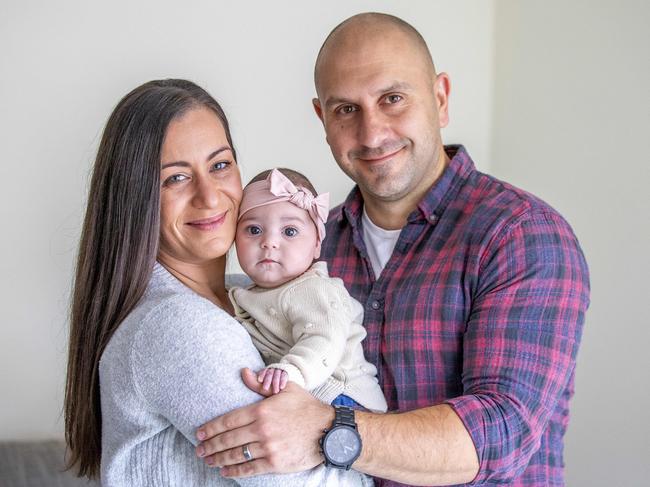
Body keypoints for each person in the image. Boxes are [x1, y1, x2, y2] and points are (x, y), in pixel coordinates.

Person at [194, 12, 590, 487]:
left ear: (440, 99)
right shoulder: (313, 247)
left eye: (393, 99)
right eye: (346, 109)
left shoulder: (520, 235)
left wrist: (330, 430)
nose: (372, 132)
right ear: (323, 120)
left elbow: (500, 435)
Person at [63, 79, 370, 486]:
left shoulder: (246, 294)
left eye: (220, 165)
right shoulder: (180, 324)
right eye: (175, 178)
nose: (209, 196)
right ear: (136, 199)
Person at [229, 168, 387, 413]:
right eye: (254, 230)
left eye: (289, 231)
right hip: (313, 391)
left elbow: (325, 339)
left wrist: (290, 372)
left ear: (316, 245)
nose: (269, 242)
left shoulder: (314, 288)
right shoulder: (245, 291)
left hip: (343, 397)